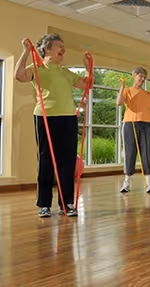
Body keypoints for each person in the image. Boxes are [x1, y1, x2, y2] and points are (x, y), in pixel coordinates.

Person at [14, 34, 92, 218]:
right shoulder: (37, 68)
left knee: (67, 162)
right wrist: (25, 52)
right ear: (47, 49)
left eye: (63, 46)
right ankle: (44, 204)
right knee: (46, 161)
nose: (63, 49)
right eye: (59, 45)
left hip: (68, 118)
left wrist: (88, 67)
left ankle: (67, 204)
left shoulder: (66, 72)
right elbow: (19, 75)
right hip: (45, 117)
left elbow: (86, 85)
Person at [117, 67, 150, 194]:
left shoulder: (147, 95)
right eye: (140, 76)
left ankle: (149, 184)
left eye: (144, 77)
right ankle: (126, 182)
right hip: (130, 123)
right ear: (134, 75)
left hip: (146, 124)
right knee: (130, 152)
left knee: (148, 152)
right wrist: (122, 86)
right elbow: (119, 102)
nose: (142, 79)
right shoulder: (127, 91)